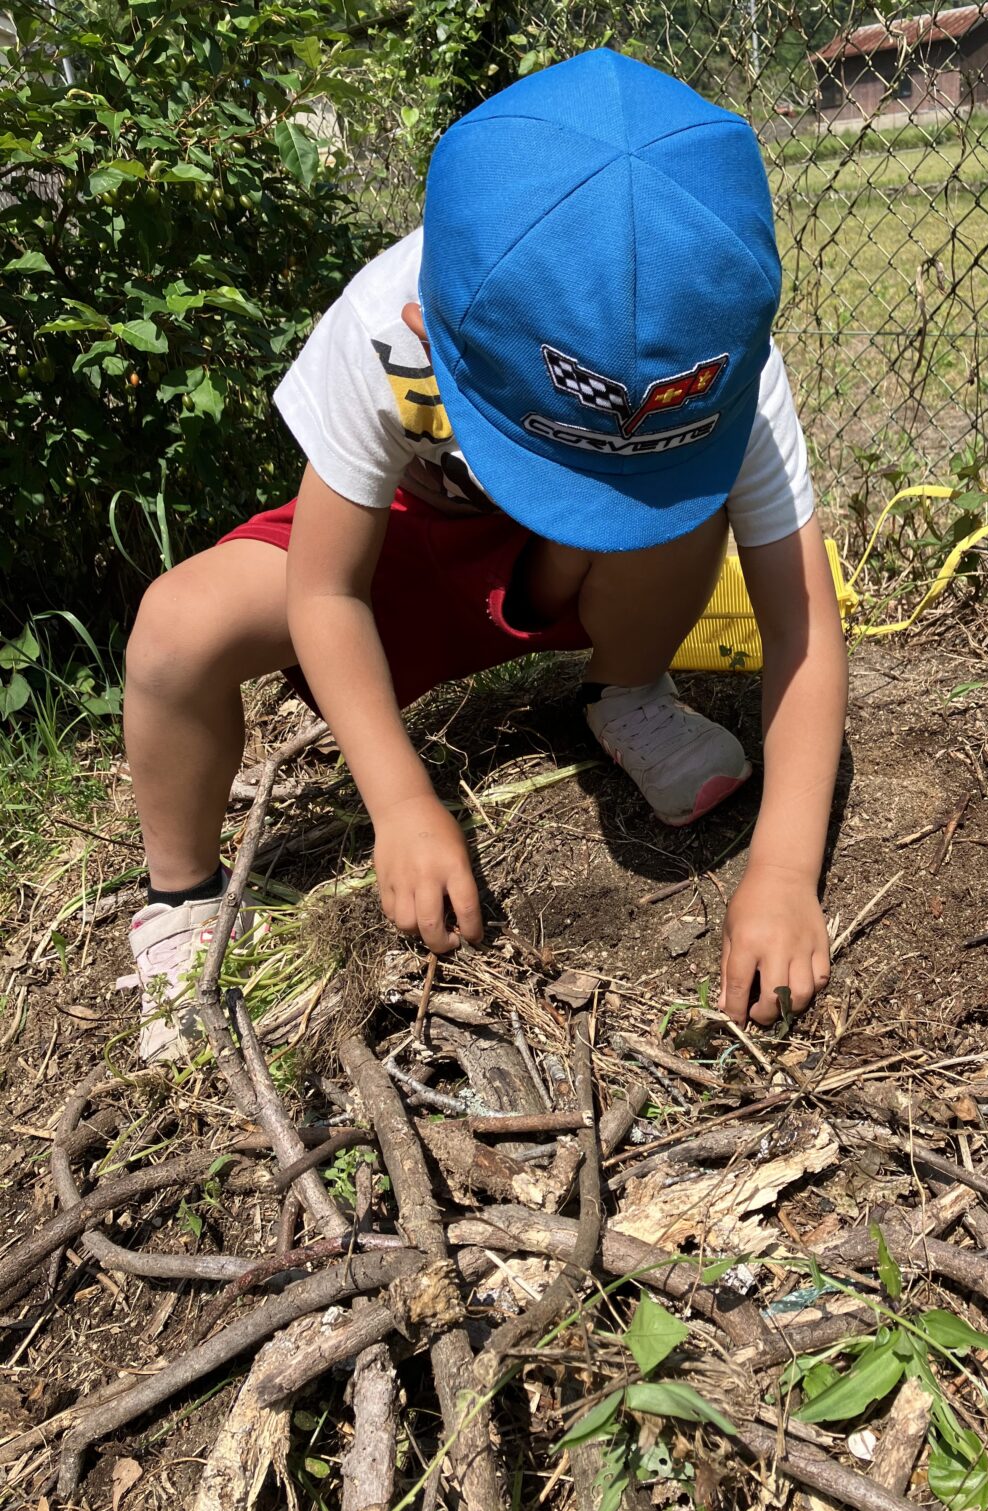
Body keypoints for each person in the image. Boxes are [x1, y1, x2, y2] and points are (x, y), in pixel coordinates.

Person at [123, 48, 848, 1062]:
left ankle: (625, 693)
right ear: (436, 329)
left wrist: (783, 865)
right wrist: (401, 801)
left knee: (681, 510)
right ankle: (180, 892)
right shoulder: (388, 321)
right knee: (173, 630)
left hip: (561, 558)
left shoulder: (717, 367)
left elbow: (803, 624)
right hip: (402, 547)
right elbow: (325, 590)